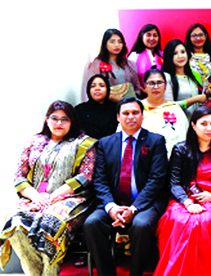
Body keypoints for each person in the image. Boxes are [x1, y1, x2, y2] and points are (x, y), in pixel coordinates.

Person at [0, 101, 96, 276]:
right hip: (34, 197)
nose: (58, 123)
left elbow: (84, 177)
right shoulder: (33, 141)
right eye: (54, 118)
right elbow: (19, 177)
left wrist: (51, 197)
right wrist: (37, 197)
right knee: (14, 223)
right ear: (47, 119)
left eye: (64, 119)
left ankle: (50, 273)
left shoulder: (83, 143)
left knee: (50, 223)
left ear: (72, 121)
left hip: (70, 198)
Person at [84, 97, 168, 276]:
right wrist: (111, 207)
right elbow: (99, 180)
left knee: (141, 224)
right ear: (118, 117)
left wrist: (134, 208)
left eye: (135, 112)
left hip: (145, 203)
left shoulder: (156, 141)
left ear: (142, 116)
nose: (131, 117)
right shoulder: (105, 143)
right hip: (113, 202)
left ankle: (136, 273)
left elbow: (156, 180)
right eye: (126, 113)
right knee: (92, 223)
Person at [154, 106, 211, 276]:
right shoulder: (181, 149)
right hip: (184, 199)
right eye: (203, 124)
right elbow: (174, 183)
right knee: (179, 220)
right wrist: (187, 203)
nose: (209, 128)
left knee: (204, 221)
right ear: (193, 126)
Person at [140, 69, 190, 157]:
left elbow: (185, 136)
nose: (156, 87)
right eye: (151, 83)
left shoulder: (175, 109)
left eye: (159, 83)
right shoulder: (137, 109)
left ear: (165, 86)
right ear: (145, 86)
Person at [85, 28, 141, 102]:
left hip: (129, 105)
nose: (117, 45)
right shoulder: (97, 64)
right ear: (105, 44)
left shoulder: (130, 64)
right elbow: (92, 88)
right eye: (112, 42)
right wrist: (118, 99)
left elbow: (137, 86)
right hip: (107, 104)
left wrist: (134, 97)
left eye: (120, 42)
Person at [162, 39, 207, 117]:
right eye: (175, 53)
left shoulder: (194, 74)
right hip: (178, 123)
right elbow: (169, 107)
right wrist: (194, 100)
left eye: (183, 52)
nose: (180, 56)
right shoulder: (166, 77)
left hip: (196, 123)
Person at [76, 74, 118, 139]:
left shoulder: (116, 109)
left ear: (107, 89)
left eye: (102, 86)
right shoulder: (79, 110)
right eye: (93, 86)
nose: (97, 89)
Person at [185, 23, 211, 89]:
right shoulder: (185, 56)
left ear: (206, 36)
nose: (198, 38)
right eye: (194, 36)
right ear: (189, 38)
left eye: (201, 35)